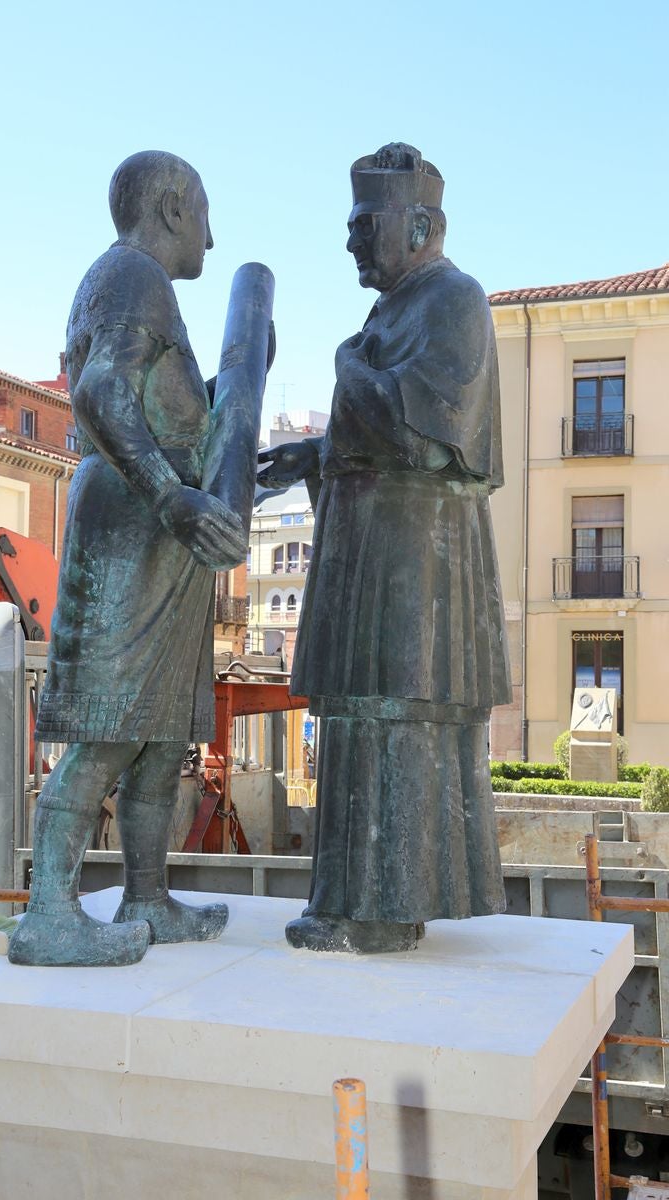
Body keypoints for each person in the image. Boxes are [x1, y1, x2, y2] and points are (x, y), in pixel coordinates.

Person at [258, 142, 511, 954]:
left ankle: (384, 904)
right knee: (359, 716)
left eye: (366, 222)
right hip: (376, 542)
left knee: (396, 713)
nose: (351, 238)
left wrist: (344, 369)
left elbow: (423, 430)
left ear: (422, 222)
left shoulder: (454, 300)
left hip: (419, 560)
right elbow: (379, 427)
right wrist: (316, 454)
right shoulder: (398, 309)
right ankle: (351, 899)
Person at [8, 151, 244, 967]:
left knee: (157, 735)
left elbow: (167, 414)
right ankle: (48, 915)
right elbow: (101, 392)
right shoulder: (133, 277)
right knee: (111, 730)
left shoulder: (135, 286)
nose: (213, 237)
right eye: (205, 213)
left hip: (158, 527)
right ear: (174, 207)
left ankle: (147, 895)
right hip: (139, 519)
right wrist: (174, 497)